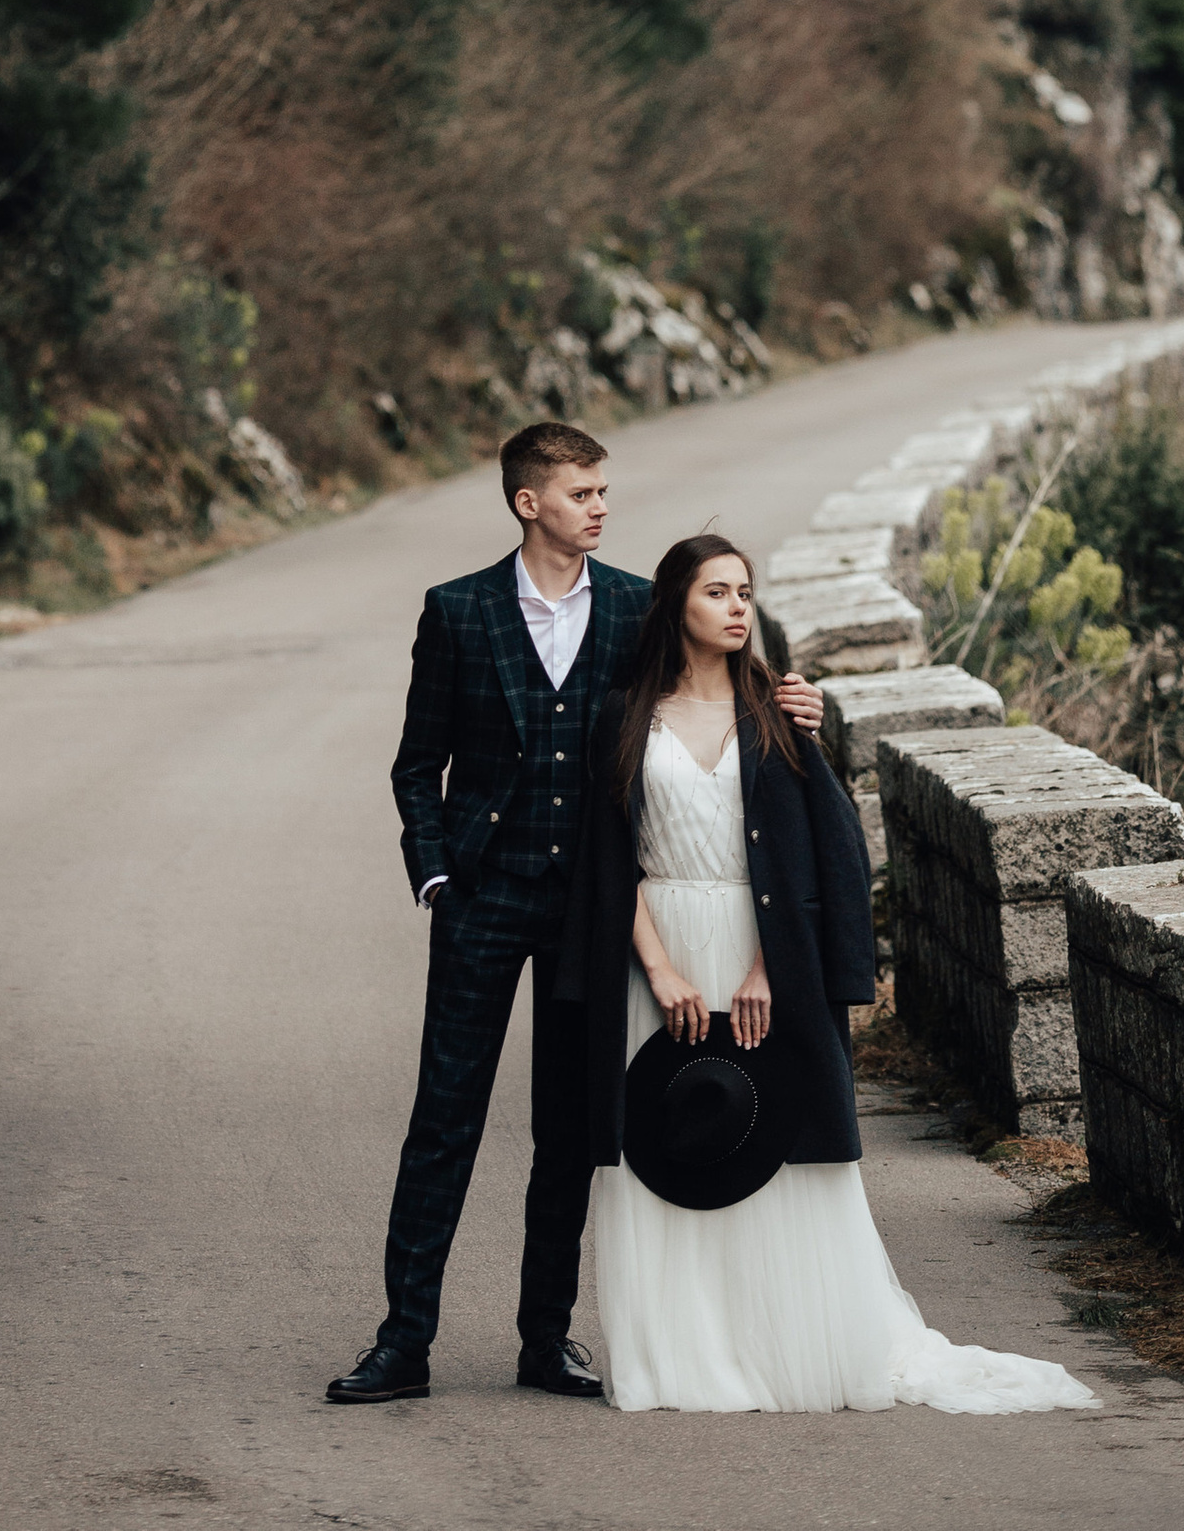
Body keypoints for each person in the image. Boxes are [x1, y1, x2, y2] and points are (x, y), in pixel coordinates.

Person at [327, 427, 825, 1407]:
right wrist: (433, 876)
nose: (599, 506)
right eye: (581, 492)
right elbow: (413, 764)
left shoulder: (639, 604)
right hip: (481, 894)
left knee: (568, 1123)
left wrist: (789, 703)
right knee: (443, 1118)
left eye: (603, 491)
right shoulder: (458, 611)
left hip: (593, 905)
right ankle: (403, 1342)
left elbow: (703, 693)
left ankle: (543, 1339)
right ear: (528, 503)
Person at [562, 529, 1099, 1417]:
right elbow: (609, 859)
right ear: (675, 607)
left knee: (780, 1147)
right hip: (659, 954)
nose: (738, 608)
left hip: (761, 952)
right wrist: (656, 971)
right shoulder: (623, 717)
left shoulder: (779, 712)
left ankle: (786, 1349)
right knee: (665, 1148)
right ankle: (686, 1358)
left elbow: (818, 851)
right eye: (717, 593)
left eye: (745, 592)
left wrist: (769, 968)